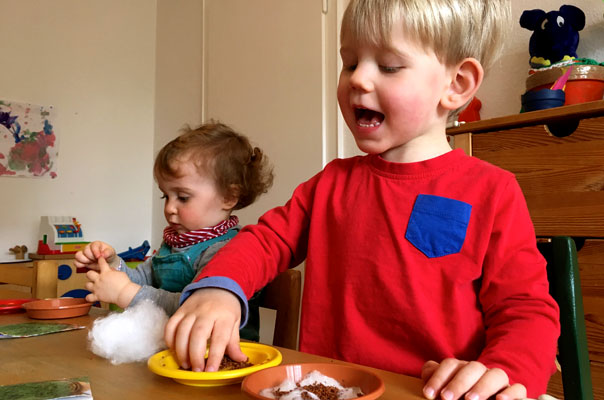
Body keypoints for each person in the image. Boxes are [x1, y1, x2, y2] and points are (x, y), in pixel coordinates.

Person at [165, 1, 560, 398]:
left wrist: (506, 371)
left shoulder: (493, 191)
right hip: (327, 388)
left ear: (456, 84)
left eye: (388, 65)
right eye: (350, 63)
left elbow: (525, 310)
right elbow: (266, 241)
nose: (358, 79)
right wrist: (220, 287)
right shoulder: (329, 184)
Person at [74, 122, 273, 341]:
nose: (169, 208)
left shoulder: (229, 250)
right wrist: (113, 265)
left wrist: (125, 293)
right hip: (171, 346)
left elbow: (194, 305)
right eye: (165, 196)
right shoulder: (175, 243)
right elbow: (142, 278)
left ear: (228, 197)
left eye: (183, 197)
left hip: (221, 354)